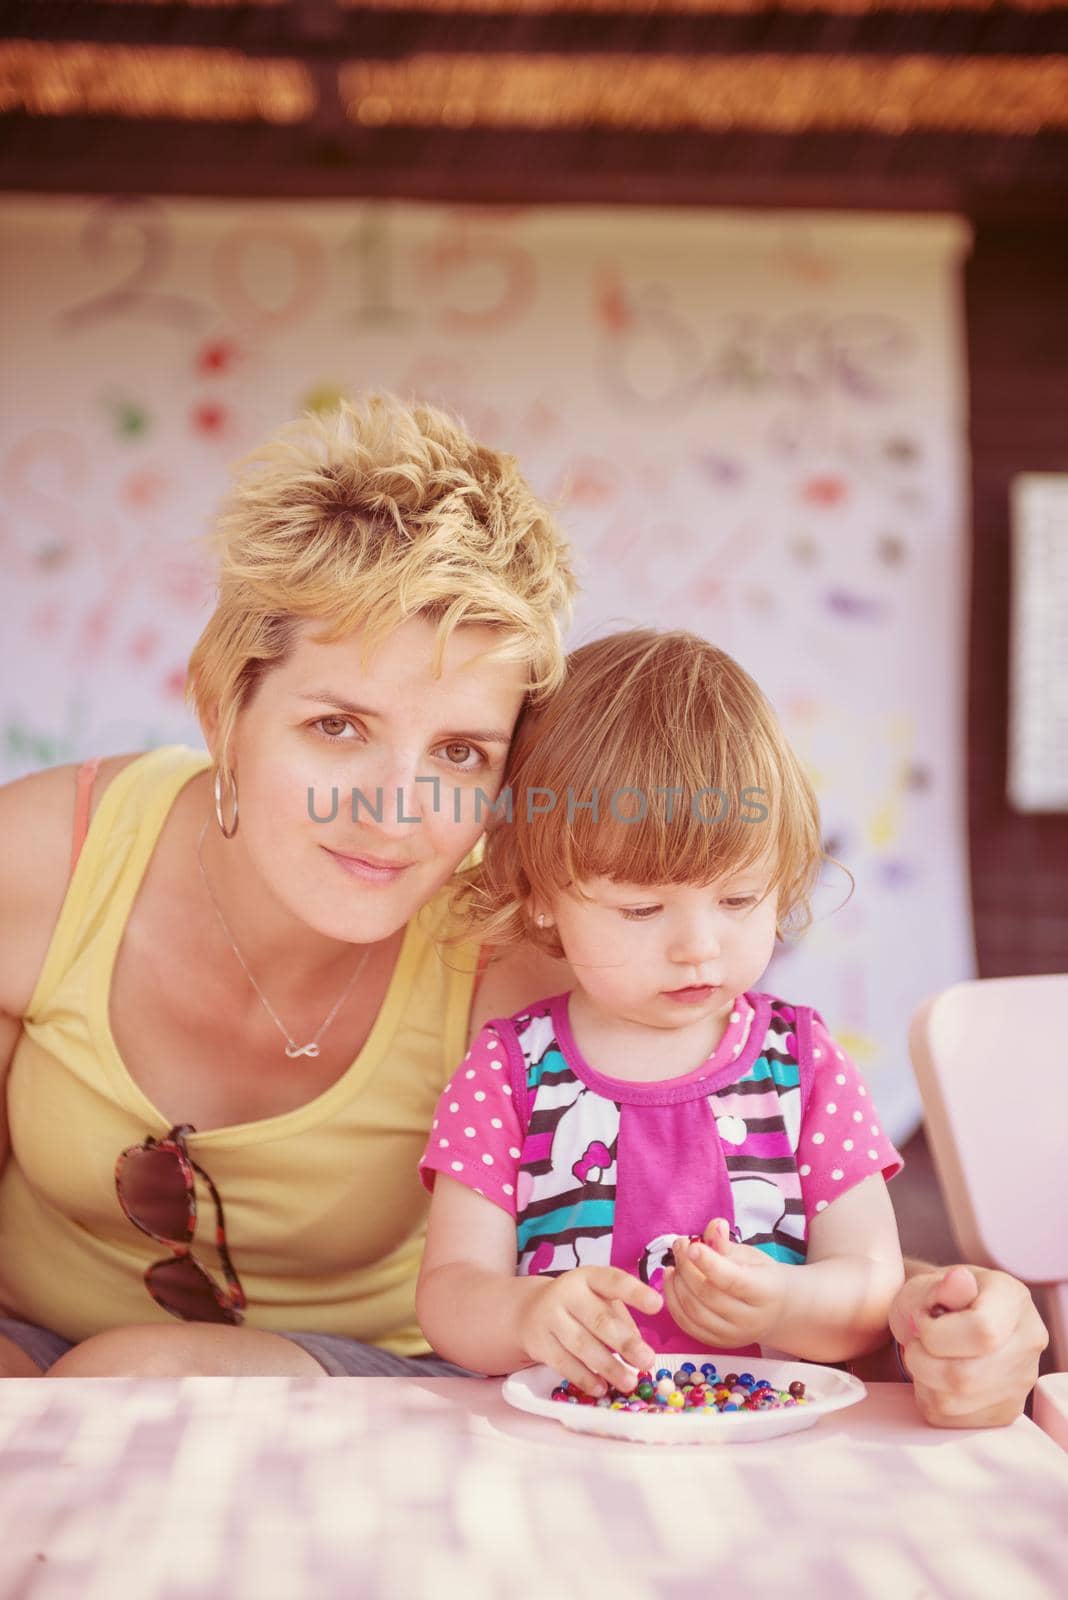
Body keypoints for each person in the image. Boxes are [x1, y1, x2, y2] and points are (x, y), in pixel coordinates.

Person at [0, 399, 1046, 1423]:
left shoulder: (513, 953)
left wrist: (952, 1316)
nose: (395, 810)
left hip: (378, 1388)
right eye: (336, 724)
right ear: (225, 705)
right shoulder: (43, 865)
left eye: (461, 752)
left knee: (132, 1374)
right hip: (33, 1349)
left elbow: (758, 1210)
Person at [417, 630, 1050, 1419]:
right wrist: (524, 1316)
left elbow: (871, 1282)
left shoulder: (801, 1062)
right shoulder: (508, 1069)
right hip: (557, 1448)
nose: (698, 948)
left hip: (778, 1450)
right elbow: (449, 1295)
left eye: (740, 899)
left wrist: (785, 1303)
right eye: (642, 908)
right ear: (542, 891)